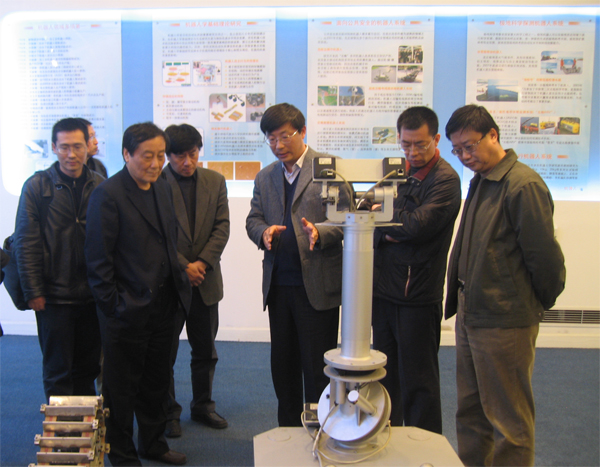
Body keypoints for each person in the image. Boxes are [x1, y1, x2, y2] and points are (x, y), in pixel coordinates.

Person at [444, 104, 566, 466]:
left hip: (505, 318)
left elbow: (545, 260)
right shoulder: (482, 180)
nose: (465, 156)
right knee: (470, 412)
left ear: (493, 135)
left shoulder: (523, 185)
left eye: (470, 146)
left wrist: (527, 304)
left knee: (509, 421)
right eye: (457, 150)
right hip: (472, 312)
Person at [85, 122, 191, 466]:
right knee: (120, 389)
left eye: (160, 155)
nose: (156, 163)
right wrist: (115, 307)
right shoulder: (108, 194)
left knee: (156, 382)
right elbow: (98, 261)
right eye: (147, 156)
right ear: (127, 154)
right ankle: (122, 454)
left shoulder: (162, 187)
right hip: (125, 311)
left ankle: (153, 444)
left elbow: (168, 243)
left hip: (163, 307)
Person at [246, 103, 344, 427]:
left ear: (302, 132)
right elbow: (253, 219)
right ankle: (287, 429)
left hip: (316, 284)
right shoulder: (265, 177)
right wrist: (263, 233)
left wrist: (320, 232)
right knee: (283, 364)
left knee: (317, 366)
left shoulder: (328, 169)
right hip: (279, 285)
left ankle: (322, 429)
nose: (278, 145)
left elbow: (347, 219)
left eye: (285, 136)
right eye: (271, 139)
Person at [371, 106, 461, 433]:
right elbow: (366, 213)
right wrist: (391, 227)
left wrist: (388, 222)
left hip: (417, 295)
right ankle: (386, 438)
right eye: (406, 144)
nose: (412, 152)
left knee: (419, 382)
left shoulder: (446, 179)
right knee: (383, 376)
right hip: (382, 290)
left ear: (436, 139)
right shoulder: (397, 171)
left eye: (420, 144)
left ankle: (425, 447)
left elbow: (418, 227)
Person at [14, 117, 103, 400]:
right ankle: (62, 426)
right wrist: (33, 291)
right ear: (53, 147)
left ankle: (85, 425)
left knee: (88, 369)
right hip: (53, 297)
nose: (71, 154)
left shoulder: (100, 185)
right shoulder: (36, 187)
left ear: (88, 146)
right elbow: (26, 243)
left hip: (92, 296)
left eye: (77, 146)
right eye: (64, 147)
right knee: (57, 370)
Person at [162, 124, 230, 437]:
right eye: (179, 156)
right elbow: (157, 235)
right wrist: (183, 267)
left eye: (192, 154)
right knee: (164, 353)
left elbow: (222, 227)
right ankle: (168, 413)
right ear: (168, 155)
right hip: (169, 285)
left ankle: (203, 405)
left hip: (205, 281)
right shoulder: (156, 183)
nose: (187, 161)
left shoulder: (215, 181)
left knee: (205, 351)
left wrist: (201, 263)